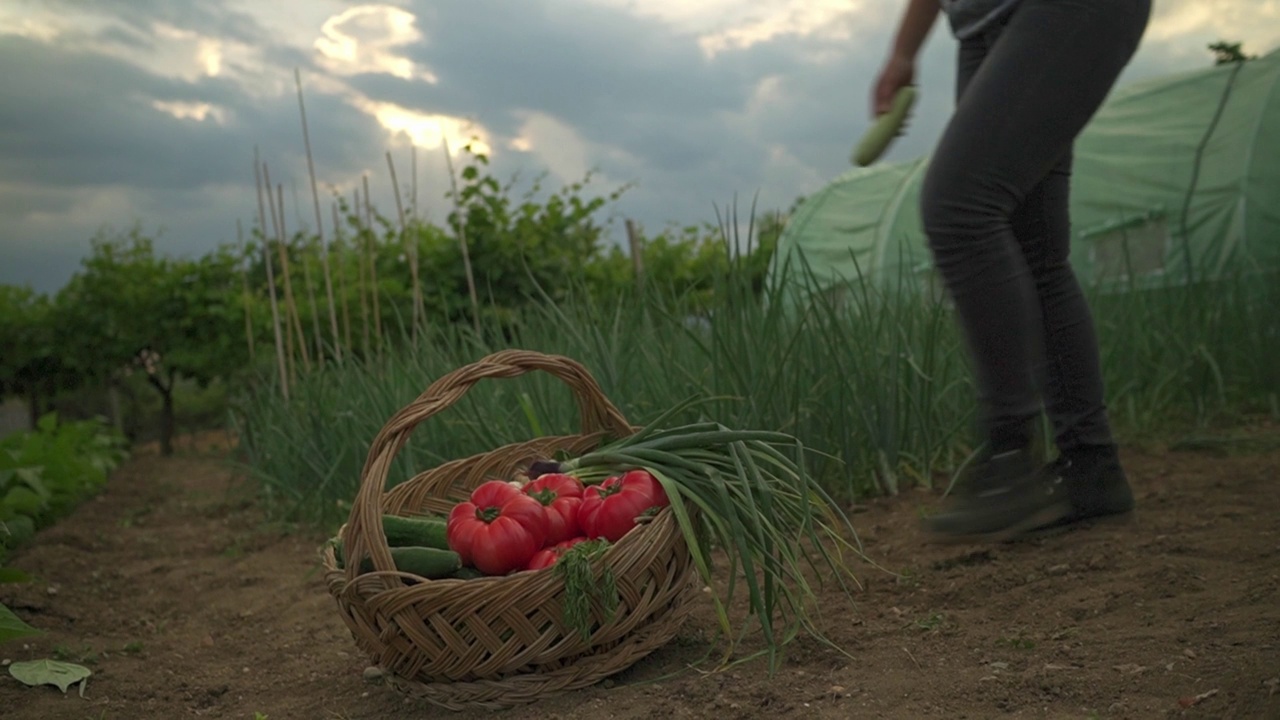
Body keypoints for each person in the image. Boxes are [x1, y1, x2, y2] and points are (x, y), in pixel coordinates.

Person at [871, 0, 1152, 542]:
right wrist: (903, 50)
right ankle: (1090, 468)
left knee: (958, 207)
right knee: (1033, 249)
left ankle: (1009, 457)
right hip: (984, 25)